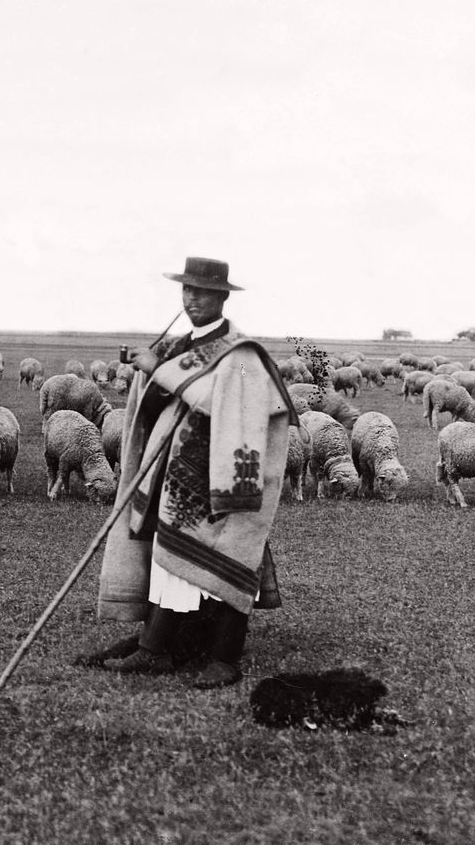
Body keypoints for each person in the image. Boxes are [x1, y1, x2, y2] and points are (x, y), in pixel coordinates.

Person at [84, 257, 299, 689]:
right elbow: (162, 400)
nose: (191, 298)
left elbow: (239, 405)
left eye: (201, 291)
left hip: (223, 476)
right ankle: (156, 646)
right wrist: (151, 375)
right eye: (186, 289)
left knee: (231, 554)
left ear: (222, 297)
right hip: (174, 474)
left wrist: (159, 370)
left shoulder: (242, 354)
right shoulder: (179, 346)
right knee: (166, 558)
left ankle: (224, 657)